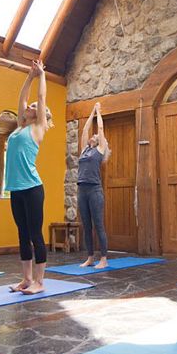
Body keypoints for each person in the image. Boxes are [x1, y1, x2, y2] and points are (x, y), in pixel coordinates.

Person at [5, 60, 52, 295]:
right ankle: (26, 279)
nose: (30, 107)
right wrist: (29, 77)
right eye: (30, 107)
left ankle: (40, 282)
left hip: (33, 188)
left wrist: (42, 75)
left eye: (35, 107)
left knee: (35, 233)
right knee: (22, 234)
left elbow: (41, 99)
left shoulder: (38, 128)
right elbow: (22, 99)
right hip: (16, 188)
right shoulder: (19, 127)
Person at [77, 102, 110, 268]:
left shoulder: (100, 150)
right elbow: (84, 130)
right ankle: (90, 257)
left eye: (95, 136)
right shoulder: (84, 150)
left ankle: (103, 259)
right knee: (86, 225)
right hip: (81, 190)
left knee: (98, 224)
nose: (93, 135)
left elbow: (101, 129)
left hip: (94, 190)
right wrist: (91, 112)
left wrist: (99, 112)